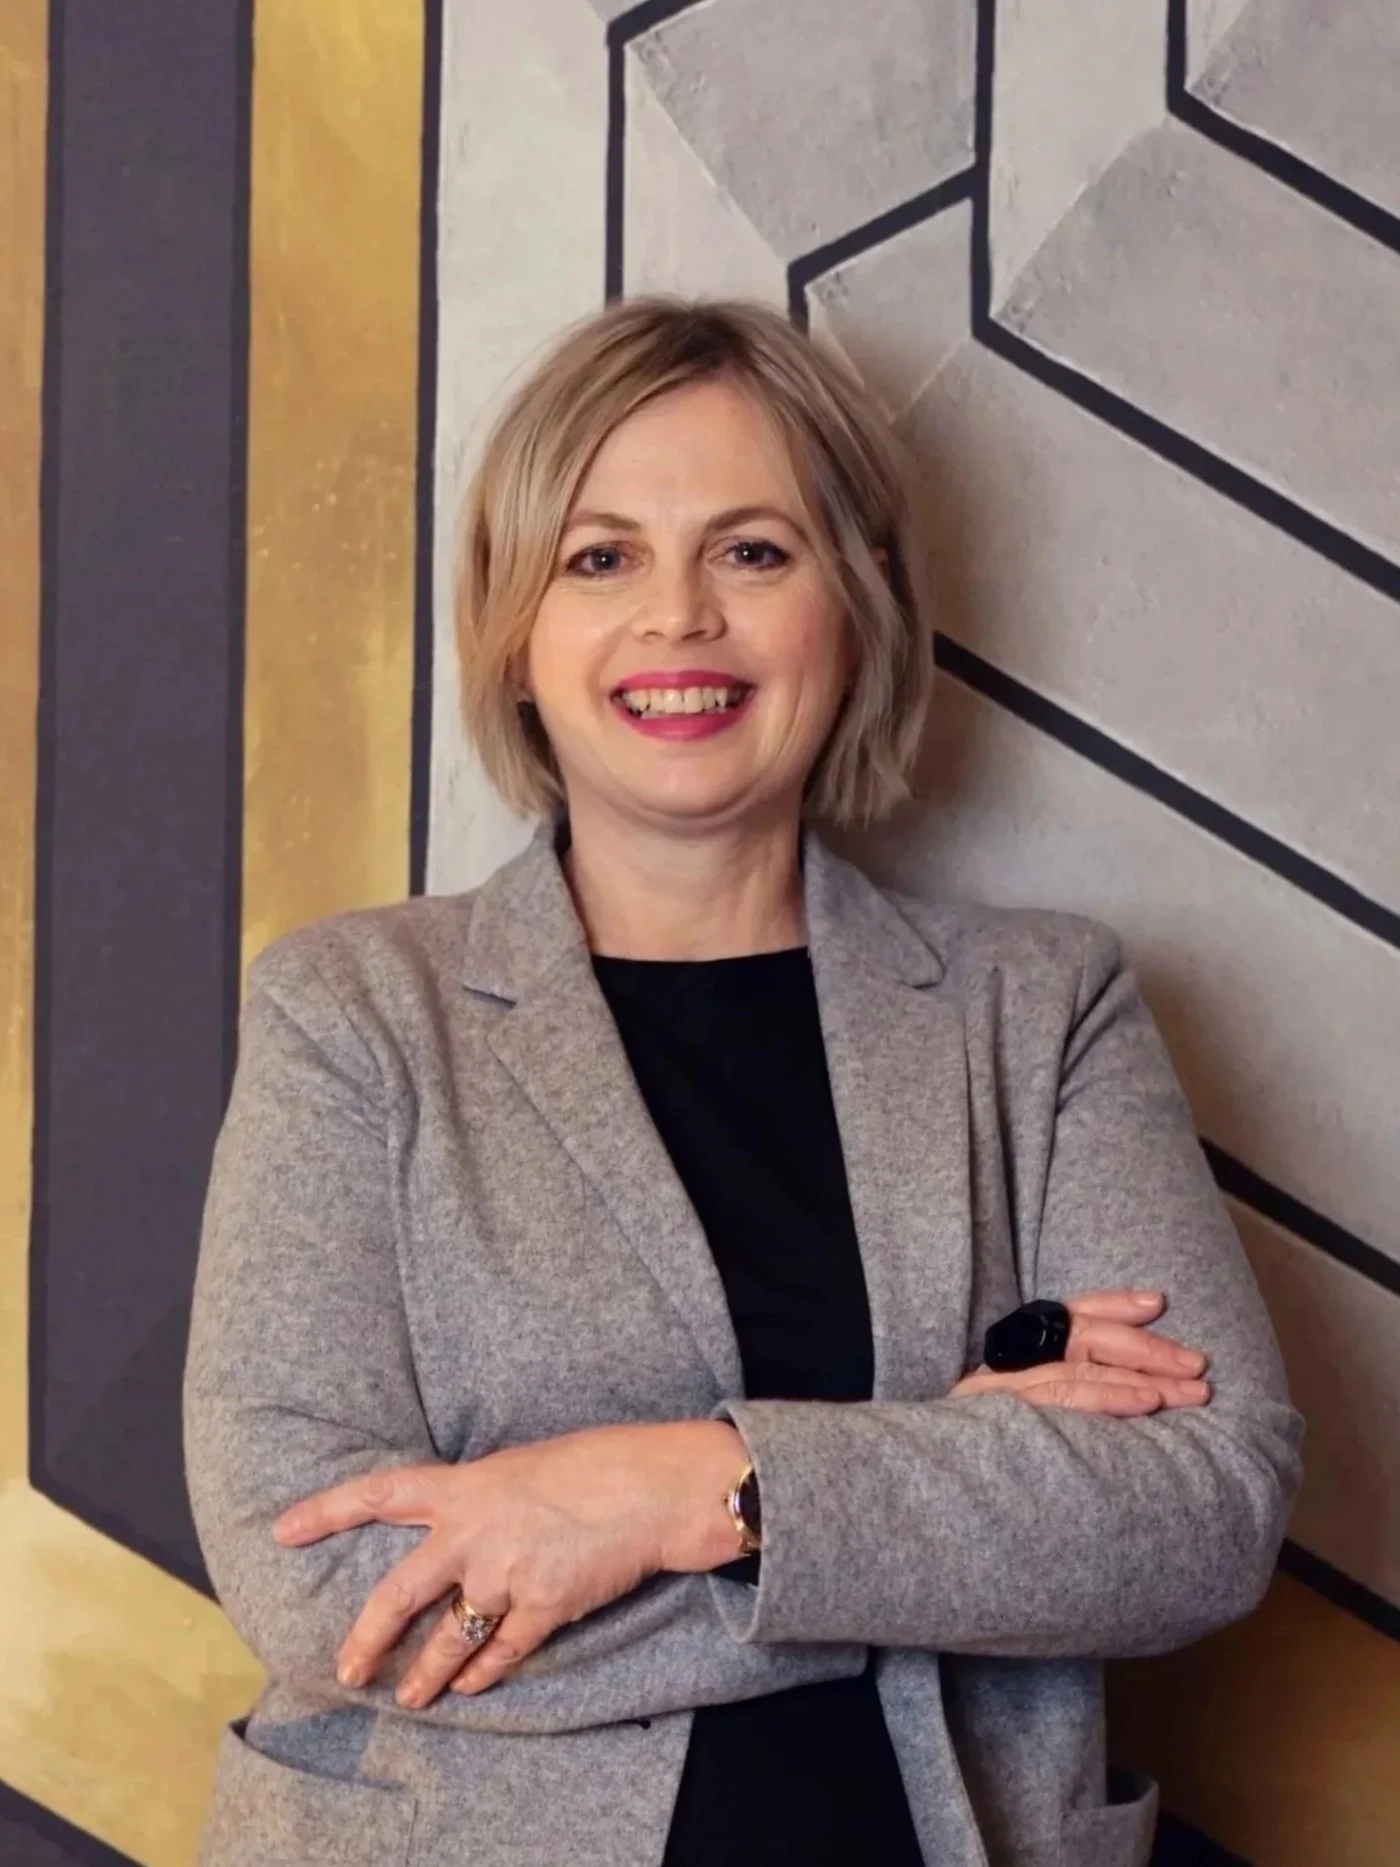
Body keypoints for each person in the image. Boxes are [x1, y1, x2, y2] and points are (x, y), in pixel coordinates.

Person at [183, 297, 1303, 1867]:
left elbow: (1200, 1505)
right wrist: (943, 1498)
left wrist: (677, 1490)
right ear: (516, 629)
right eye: (601, 557)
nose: (679, 620)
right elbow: (330, 1586)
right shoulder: (354, 1013)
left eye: (754, 552)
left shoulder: (1041, 1009)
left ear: (856, 602)